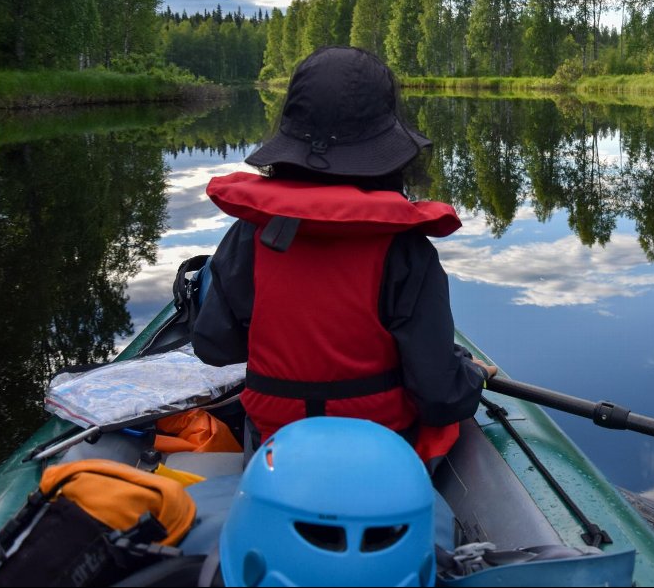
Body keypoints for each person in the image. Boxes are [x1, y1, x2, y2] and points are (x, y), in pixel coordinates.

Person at [192, 45, 495, 466]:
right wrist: (471, 373)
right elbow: (442, 398)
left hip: (275, 445)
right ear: (387, 149)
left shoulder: (250, 235)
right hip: (380, 449)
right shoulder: (407, 251)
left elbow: (214, 346)